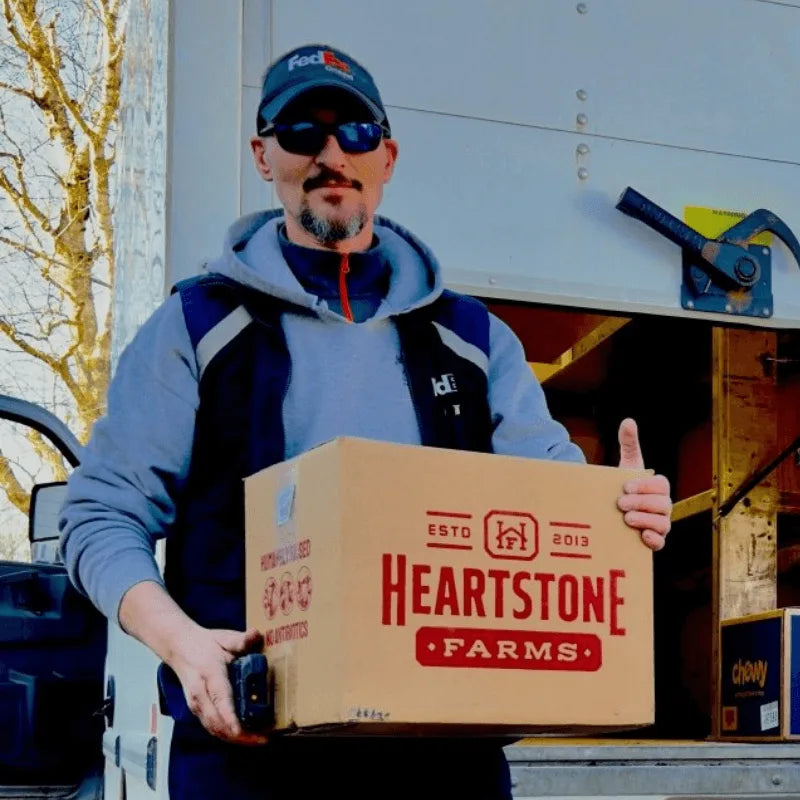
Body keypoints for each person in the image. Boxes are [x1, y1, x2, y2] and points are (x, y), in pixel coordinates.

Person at [59, 43, 672, 800]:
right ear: (263, 154)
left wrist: (621, 513)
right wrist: (182, 646)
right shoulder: (194, 327)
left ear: (386, 155)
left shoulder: (476, 342)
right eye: (300, 132)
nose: (329, 154)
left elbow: (551, 509)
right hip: (246, 756)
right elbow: (98, 518)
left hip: (444, 762)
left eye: (352, 132)